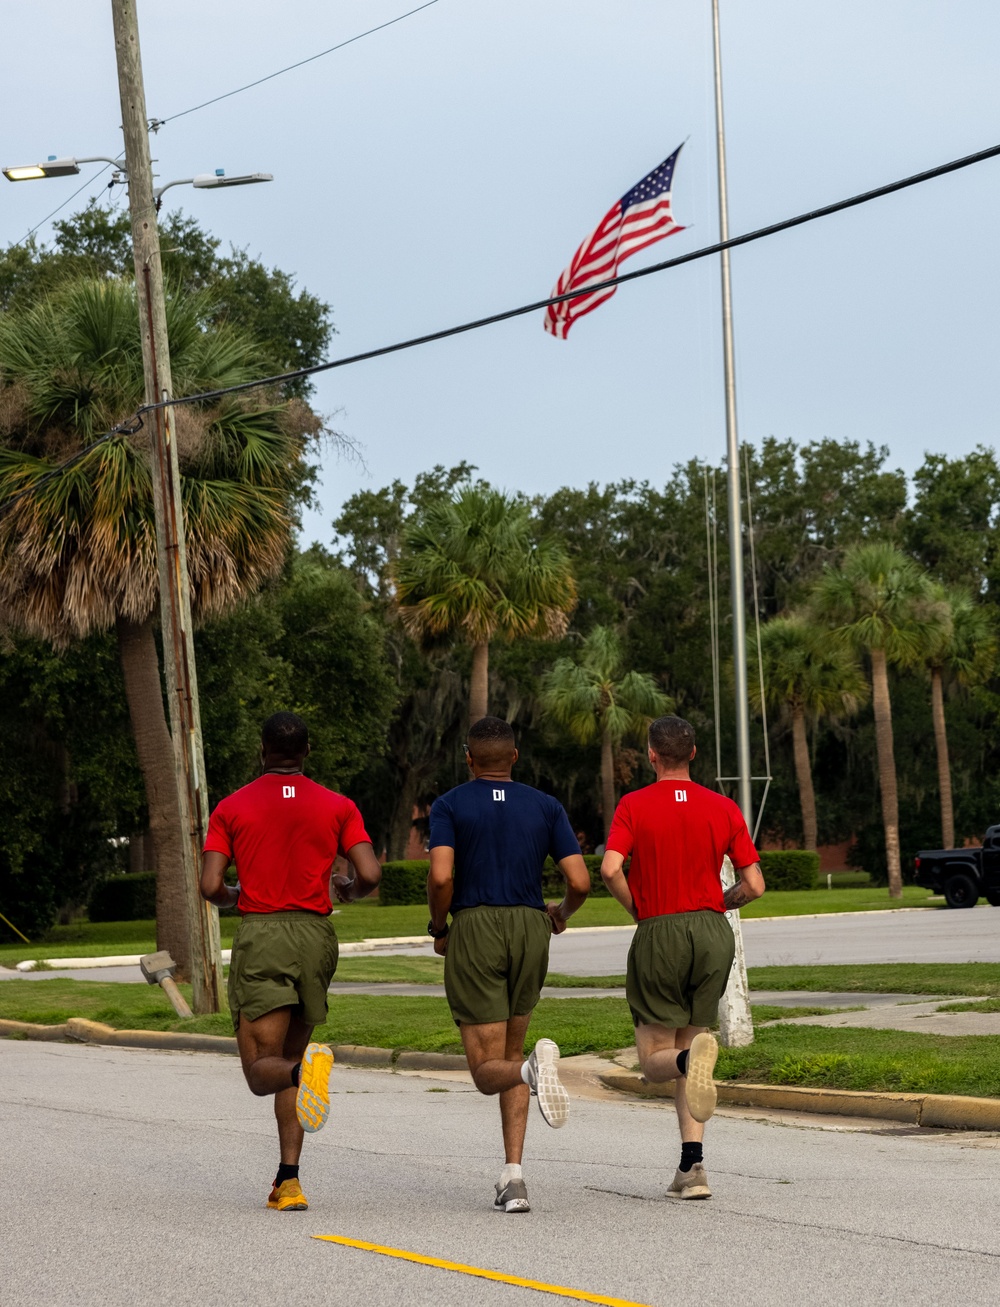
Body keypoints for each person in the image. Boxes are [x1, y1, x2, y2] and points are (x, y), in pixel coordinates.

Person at [200, 711, 381, 1212]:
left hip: (263, 933)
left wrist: (238, 895)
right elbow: (369, 871)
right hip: (316, 936)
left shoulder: (232, 807)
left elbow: (211, 886)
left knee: (264, 1069)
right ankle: (289, 1180)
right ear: (306, 751)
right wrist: (349, 887)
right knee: (287, 1062)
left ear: (262, 751)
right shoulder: (338, 805)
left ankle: (306, 1073)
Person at [427, 715, 591, 1214]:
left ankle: (531, 1072)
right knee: (516, 1052)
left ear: (469, 757)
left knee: (486, 1070)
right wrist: (559, 914)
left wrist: (440, 929)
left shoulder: (450, 804)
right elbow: (580, 881)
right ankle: (513, 1177)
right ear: (514, 757)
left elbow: (440, 877)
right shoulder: (545, 805)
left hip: (476, 926)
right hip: (529, 926)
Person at [600, 714, 764, 1200]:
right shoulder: (723, 806)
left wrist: (640, 911)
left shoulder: (633, 804)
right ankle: (692, 1169)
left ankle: (693, 1058)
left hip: (661, 930)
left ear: (652, 754)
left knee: (654, 1059)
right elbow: (754, 884)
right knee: (689, 1050)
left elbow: (611, 868)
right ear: (693, 754)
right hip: (713, 932)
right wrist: (721, 904)